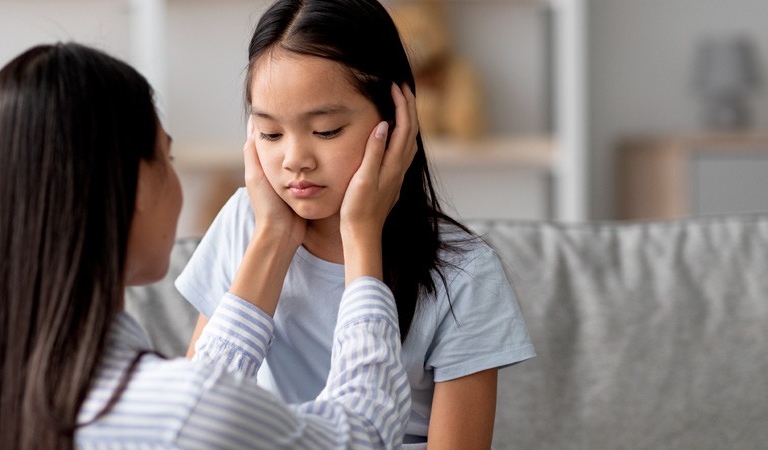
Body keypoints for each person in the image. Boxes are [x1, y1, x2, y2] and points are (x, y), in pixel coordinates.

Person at [0, 42, 416, 449]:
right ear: (137, 186)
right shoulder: (179, 409)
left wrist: (275, 233)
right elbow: (363, 435)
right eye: (165, 158)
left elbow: (204, 404)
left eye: (326, 130)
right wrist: (364, 239)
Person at [176, 0, 536, 448]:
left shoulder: (465, 273)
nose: (294, 160)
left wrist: (362, 235)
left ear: (397, 118)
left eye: (325, 131)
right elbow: (193, 423)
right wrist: (271, 238)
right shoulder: (240, 224)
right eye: (270, 133)